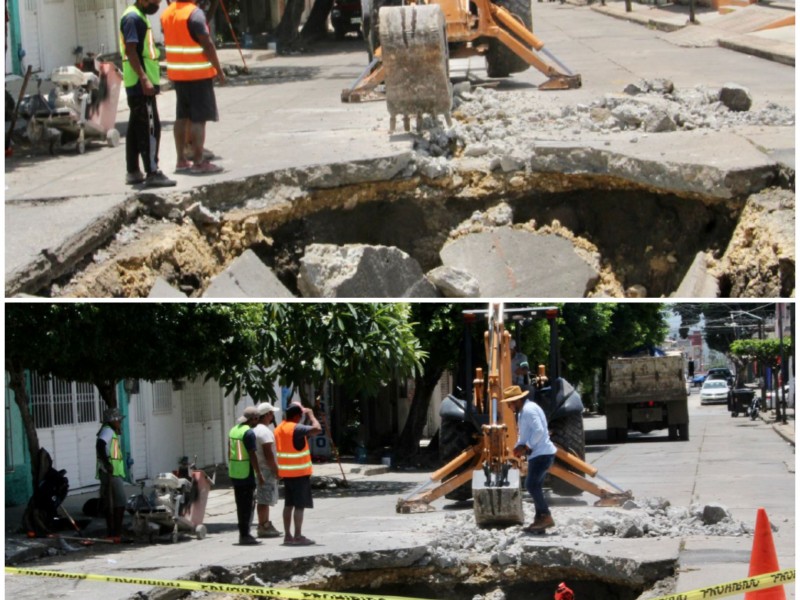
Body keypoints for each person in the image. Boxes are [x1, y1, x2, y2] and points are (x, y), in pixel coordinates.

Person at [161, 0, 225, 174]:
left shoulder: (167, 14)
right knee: (199, 119)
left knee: (182, 117)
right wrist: (219, 70)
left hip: (178, 75)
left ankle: (181, 160)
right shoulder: (194, 14)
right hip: (198, 74)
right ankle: (198, 161)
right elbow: (208, 45)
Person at [119, 0, 176, 187]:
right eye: (155, 0)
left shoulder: (138, 15)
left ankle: (133, 171)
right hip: (140, 84)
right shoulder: (133, 18)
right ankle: (152, 171)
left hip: (137, 82)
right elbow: (131, 50)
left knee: (136, 127)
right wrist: (144, 79)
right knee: (151, 128)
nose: (157, 3)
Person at [504, 385, 557, 533]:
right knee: (535, 486)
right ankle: (539, 520)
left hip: (542, 454)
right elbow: (526, 433)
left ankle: (545, 516)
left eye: (510, 403)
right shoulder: (523, 412)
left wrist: (526, 447)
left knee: (531, 485)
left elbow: (540, 430)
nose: (508, 406)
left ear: (517, 401)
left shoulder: (528, 410)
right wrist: (519, 446)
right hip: (538, 454)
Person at [274, 402, 322, 546]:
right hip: (299, 474)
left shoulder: (279, 429)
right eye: (300, 416)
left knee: (288, 504)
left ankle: (287, 536)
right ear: (296, 416)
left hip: (286, 473)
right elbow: (317, 429)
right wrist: (312, 416)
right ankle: (298, 535)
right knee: (299, 506)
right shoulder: (296, 428)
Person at [228, 406, 264, 545]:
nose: (258, 421)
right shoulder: (248, 433)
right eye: (257, 419)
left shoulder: (234, 430)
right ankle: (245, 535)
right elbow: (252, 455)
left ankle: (243, 534)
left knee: (240, 505)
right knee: (247, 505)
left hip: (235, 471)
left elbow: (229, 451)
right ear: (253, 419)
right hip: (246, 473)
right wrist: (259, 474)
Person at [96, 407, 128, 541]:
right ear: (112, 420)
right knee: (120, 502)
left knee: (112, 503)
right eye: (118, 420)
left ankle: (113, 532)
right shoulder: (108, 431)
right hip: (111, 473)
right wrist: (107, 464)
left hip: (112, 472)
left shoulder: (110, 431)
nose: (120, 423)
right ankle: (115, 533)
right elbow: (100, 445)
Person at [253, 401, 282, 538]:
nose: (273, 417)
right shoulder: (264, 432)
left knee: (264, 499)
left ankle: (265, 524)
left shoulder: (256, 430)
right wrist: (276, 470)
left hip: (260, 468)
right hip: (266, 469)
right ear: (267, 415)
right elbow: (268, 454)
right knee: (264, 500)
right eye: (271, 414)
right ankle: (263, 525)